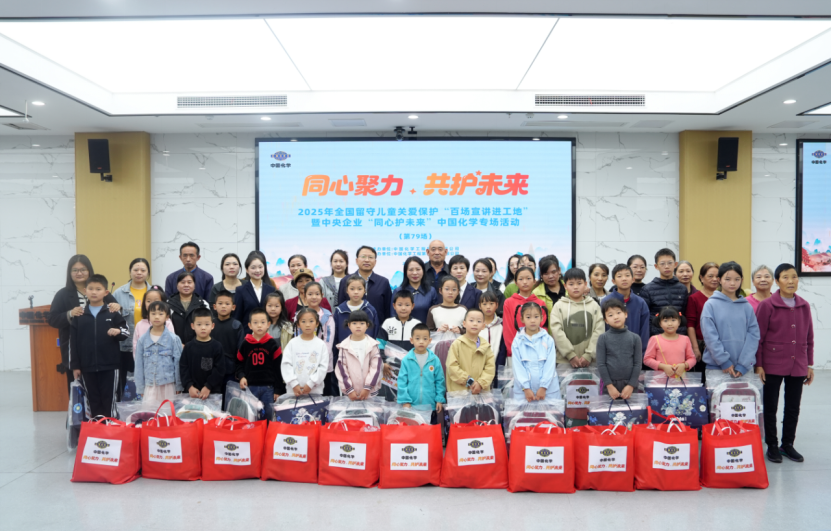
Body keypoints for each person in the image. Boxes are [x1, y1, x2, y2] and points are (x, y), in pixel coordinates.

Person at [755, 264, 815, 464]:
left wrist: (809, 364)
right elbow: (759, 337)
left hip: (798, 363)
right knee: (770, 406)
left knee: (793, 407)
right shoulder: (767, 305)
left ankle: (787, 444)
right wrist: (759, 364)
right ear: (777, 281)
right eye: (785, 277)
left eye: (794, 277)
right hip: (771, 363)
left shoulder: (804, 305)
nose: (791, 281)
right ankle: (772, 445)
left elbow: (809, 337)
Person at [49, 255, 120, 394]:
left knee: (101, 393)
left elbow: (116, 311)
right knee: (78, 393)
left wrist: (118, 306)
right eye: (75, 270)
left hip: (101, 351)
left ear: (89, 271)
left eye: (83, 269)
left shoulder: (100, 290)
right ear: (69, 272)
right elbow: (52, 319)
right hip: (74, 350)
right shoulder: (63, 294)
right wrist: (70, 314)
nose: (79, 273)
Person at [69, 274, 130, 419]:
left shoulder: (112, 312)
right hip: (87, 366)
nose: (94, 292)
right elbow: (73, 343)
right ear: (85, 291)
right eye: (90, 289)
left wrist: (118, 331)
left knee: (110, 399)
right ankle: (96, 427)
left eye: (98, 289)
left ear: (106, 292)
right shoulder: (79, 314)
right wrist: (75, 366)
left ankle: (111, 426)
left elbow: (126, 332)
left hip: (110, 366)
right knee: (92, 399)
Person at [701, 262, 760, 378]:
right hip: (717, 368)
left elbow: (753, 335)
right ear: (719, 280)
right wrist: (724, 361)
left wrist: (744, 364)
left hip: (744, 369)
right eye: (727, 279)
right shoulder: (710, 305)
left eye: (737, 279)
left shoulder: (746, 306)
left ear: (742, 280)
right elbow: (710, 336)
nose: (732, 283)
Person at [112, 258, 152, 400]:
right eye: (135, 269)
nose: (139, 273)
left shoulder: (154, 292)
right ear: (130, 272)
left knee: (147, 382)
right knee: (122, 383)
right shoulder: (119, 293)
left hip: (149, 344)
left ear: (148, 273)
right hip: (125, 345)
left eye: (143, 270)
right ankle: (121, 409)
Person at [550, 268, 605, 367]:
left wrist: (589, 354)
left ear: (585, 284)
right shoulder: (558, 306)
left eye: (579, 283)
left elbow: (599, 330)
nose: (575, 287)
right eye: (571, 284)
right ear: (565, 286)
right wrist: (570, 355)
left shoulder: (594, 305)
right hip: (564, 361)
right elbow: (556, 331)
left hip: (590, 361)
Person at [236, 307, 284, 415]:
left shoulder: (273, 344)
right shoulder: (245, 344)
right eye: (255, 322)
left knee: (268, 416)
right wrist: (241, 376)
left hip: (268, 388)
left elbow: (278, 369)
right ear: (249, 325)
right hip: (250, 387)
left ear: (268, 324)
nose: (259, 325)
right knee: (251, 415)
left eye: (262, 322)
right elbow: (239, 363)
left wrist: (278, 389)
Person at [134, 300, 183, 403]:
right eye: (153, 314)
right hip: (150, 385)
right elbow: (138, 365)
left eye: (161, 314)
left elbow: (178, 364)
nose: (157, 317)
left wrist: (179, 385)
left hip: (168, 385)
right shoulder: (142, 340)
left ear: (167, 317)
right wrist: (140, 387)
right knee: (150, 412)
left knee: (167, 411)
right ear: (148, 316)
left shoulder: (174, 339)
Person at [512, 302, 560, 402]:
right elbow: (517, 367)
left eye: (536, 316)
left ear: (542, 318)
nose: (532, 320)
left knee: (550, 412)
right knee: (525, 412)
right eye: (528, 317)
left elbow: (550, 365)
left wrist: (543, 387)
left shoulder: (548, 340)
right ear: (522, 319)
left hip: (548, 390)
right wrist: (525, 388)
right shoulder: (517, 342)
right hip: (524, 392)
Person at [596, 299, 643, 399]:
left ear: (625, 314)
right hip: (609, 385)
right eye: (610, 315)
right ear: (606, 320)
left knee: (631, 408)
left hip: (630, 385)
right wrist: (609, 386)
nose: (616, 317)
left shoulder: (635, 338)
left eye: (618, 312)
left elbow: (637, 363)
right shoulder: (603, 338)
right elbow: (601, 364)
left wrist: (631, 385)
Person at [397, 323, 446, 415]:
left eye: (425, 339)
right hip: (411, 406)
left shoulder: (434, 359)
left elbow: (440, 381)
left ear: (430, 340)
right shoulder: (406, 360)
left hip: (430, 406)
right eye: (417, 338)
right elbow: (401, 382)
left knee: (431, 425)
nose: (421, 342)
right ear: (411, 340)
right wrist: (405, 401)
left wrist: (439, 399)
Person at [336, 246, 393, 323]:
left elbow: (388, 311)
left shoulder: (383, 282)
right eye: (363, 257)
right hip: (350, 328)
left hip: (377, 328)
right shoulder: (345, 281)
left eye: (370, 257)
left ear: (375, 261)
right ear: (356, 260)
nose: (367, 260)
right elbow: (341, 309)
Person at [502, 266, 549, 361]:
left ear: (534, 281)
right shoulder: (509, 302)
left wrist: (539, 348)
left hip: (537, 352)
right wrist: (513, 349)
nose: (525, 282)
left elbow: (543, 328)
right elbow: (508, 329)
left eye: (528, 278)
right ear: (515, 282)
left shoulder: (540, 303)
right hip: (515, 352)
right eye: (521, 279)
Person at [639, 248, 689, 337]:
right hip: (656, 336)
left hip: (679, 336)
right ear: (656, 266)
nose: (666, 266)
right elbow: (645, 317)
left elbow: (684, 313)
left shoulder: (682, 288)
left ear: (675, 264)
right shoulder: (647, 289)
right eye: (662, 263)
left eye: (670, 263)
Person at [602, 264, 650, 356]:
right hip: (611, 354)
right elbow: (602, 329)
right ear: (613, 281)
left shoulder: (640, 302)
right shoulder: (605, 302)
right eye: (619, 276)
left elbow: (644, 331)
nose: (624, 279)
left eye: (627, 275)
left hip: (635, 353)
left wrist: (641, 354)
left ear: (633, 279)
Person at [335, 310, 383, 399]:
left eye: (362, 323)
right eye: (354, 323)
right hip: (350, 394)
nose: (358, 326)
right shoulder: (344, 346)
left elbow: (376, 368)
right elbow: (341, 369)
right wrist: (349, 390)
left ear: (367, 325)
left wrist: (368, 387)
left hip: (370, 393)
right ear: (349, 325)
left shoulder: (373, 345)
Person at [282, 308, 330, 397]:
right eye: (303, 321)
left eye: (311, 321)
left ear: (317, 323)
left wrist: (311, 384)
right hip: (294, 391)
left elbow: (323, 367)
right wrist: (294, 384)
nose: (307, 325)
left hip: (315, 391)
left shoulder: (321, 344)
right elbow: (286, 364)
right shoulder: (292, 343)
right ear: (298, 324)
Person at [179, 308, 225, 400]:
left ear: (212, 326)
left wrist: (208, 386)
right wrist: (189, 386)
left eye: (207, 324)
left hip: (212, 392)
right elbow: (183, 367)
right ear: (192, 326)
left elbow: (220, 370)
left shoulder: (217, 346)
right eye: (199, 324)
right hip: (191, 393)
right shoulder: (188, 346)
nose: (203, 327)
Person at [446, 309, 495, 393]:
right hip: (460, 392)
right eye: (471, 320)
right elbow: (452, 366)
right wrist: (469, 380)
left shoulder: (486, 346)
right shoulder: (457, 344)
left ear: (483, 326)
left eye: (479, 321)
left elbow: (490, 368)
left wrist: (480, 383)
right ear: (464, 324)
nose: (475, 324)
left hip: (480, 391)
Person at [643, 307, 696, 378]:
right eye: (665, 321)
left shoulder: (685, 339)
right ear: (660, 323)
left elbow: (692, 359)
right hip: (660, 380)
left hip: (680, 380)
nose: (670, 324)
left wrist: (684, 365)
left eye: (673, 320)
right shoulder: (655, 339)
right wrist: (663, 367)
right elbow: (647, 359)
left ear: (679, 322)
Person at [210, 290, 245, 399]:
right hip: (212, 371)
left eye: (227, 303)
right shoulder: (210, 325)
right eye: (220, 303)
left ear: (233, 307)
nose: (223, 306)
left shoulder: (236, 325)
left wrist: (240, 373)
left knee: (230, 401)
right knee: (214, 401)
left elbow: (241, 351)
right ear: (214, 306)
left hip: (231, 371)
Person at [686, 262, 720, 370]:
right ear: (701, 277)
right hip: (702, 344)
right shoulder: (694, 298)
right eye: (710, 276)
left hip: (720, 344)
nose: (714, 279)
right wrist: (695, 348)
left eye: (717, 276)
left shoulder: (724, 298)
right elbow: (690, 325)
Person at [234, 251, 277, 333]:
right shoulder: (240, 290)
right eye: (253, 268)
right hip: (247, 334)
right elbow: (237, 316)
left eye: (260, 267)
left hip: (268, 334)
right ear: (247, 270)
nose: (257, 270)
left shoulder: (271, 289)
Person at [333, 275, 381, 347]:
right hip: (344, 350)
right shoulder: (340, 311)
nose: (356, 292)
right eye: (352, 289)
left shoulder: (370, 310)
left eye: (359, 289)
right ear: (347, 290)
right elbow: (335, 334)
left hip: (366, 350)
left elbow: (375, 332)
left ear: (365, 290)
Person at [391, 256, 439, 324]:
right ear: (406, 272)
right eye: (411, 270)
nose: (415, 273)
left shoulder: (431, 291)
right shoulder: (398, 291)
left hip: (426, 329)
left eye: (418, 269)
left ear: (423, 270)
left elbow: (436, 316)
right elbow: (393, 316)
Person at [168, 271, 211, 345]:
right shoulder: (168, 304)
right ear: (177, 285)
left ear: (194, 285)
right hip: (174, 346)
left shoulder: (203, 304)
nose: (186, 285)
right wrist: (178, 344)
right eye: (183, 282)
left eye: (189, 282)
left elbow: (207, 325)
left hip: (198, 345)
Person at [132, 286, 176, 353]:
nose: (152, 303)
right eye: (148, 301)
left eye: (156, 301)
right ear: (144, 303)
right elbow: (136, 346)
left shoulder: (167, 322)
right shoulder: (139, 325)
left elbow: (172, 343)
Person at [532, 255, 565, 319]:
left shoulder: (569, 288)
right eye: (546, 274)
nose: (550, 276)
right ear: (541, 275)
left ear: (559, 270)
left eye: (553, 272)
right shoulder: (536, 294)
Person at [265, 292, 294, 361]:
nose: (273, 309)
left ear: (282, 308)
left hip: (283, 360)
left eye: (276, 306)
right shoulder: (261, 325)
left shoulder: (288, 326)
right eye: (270, 306)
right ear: (265, 307)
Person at [479, 291, 505, 368]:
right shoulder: (476, 325)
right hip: (479, 366)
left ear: (497, 305)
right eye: (484, 304)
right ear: (480, 306)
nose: (488, 307)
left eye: (491, 303)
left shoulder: (501, 324)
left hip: (497, 365)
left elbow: (503, 349)